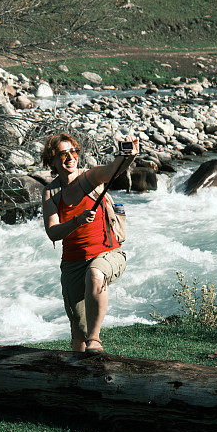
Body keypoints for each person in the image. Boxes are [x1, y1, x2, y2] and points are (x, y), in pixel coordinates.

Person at [41, 132, 139, 353]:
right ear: (52, 160)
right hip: (73, 263)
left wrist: (129, 156)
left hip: (108, 253)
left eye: (73, 152)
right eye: (63, 154)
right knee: (78, 335)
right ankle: (79, 379)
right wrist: (77, 220)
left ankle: (96, 340)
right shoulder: (51, 193)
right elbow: (53, 233)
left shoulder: (90, 177)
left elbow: (113, 169)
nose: (70, 157)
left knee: (95, 274)